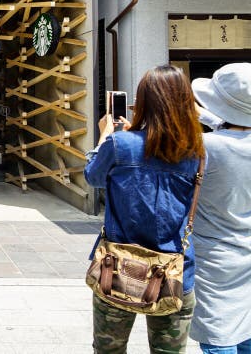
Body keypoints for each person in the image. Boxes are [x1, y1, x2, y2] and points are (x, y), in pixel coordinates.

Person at [84, 65, 205, 353]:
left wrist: (105, 136)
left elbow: (94, 176)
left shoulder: (119, 143)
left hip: (117, 267)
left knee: (108, 350)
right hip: (174, 269)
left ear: (143, 102)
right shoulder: (196, 152)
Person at [189, 63, 251, 354]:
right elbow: (235, 134)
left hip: (213, 255)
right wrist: (206, 117)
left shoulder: (205, 147)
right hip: (250, 250)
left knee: (218, 337)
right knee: (243, 331)